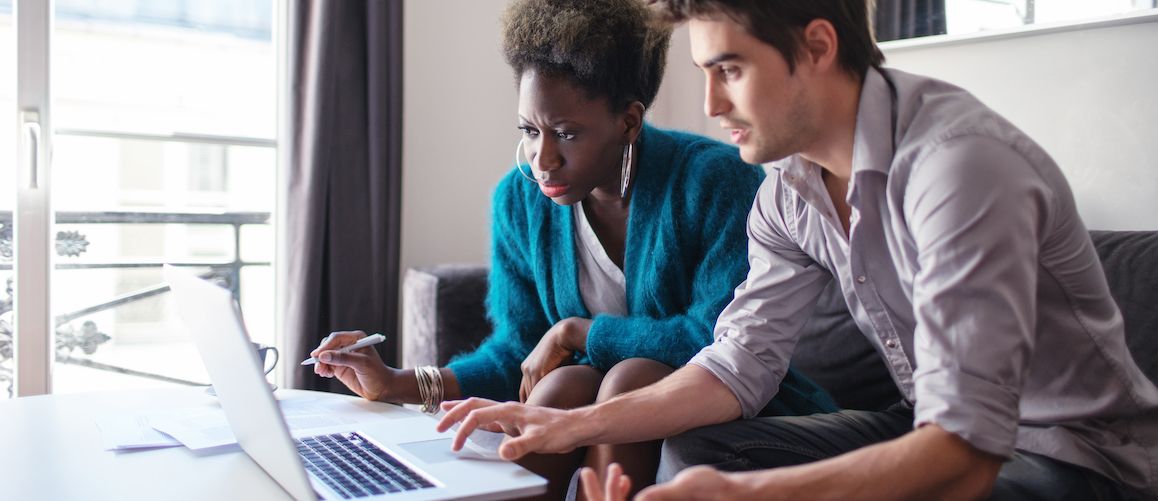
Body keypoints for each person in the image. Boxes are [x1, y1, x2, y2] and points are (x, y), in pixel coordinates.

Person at [435, 1, 1158, 500]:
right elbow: (735, 366)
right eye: (705, 75)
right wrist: (569, 424)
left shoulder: (956, 168)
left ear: (816, 46)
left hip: (1074, 460)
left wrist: (747, 493)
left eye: (730, 70)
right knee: (696, 448)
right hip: (924, 425)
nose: (712, 105)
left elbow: (965, 455)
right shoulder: (787, 188)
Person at [309, 0, 837, 498]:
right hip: (587, 399)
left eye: (565, 133)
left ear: (628, 121)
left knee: (628, 375)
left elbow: (714, 340)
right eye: (529, 130)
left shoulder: (715, 181)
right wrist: (396, 382)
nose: (543, 159)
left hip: (731, 403)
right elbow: (519, 353)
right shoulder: (519, 200)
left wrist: (578, 331)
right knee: (565, 382)